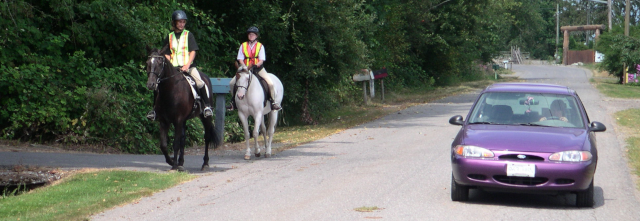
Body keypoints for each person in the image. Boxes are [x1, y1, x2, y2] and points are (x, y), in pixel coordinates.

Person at [147, 10, 213, 120]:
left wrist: (187, 65)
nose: (182, 24)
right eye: (179, 22)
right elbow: (165, 53)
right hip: (173, 68)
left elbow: (193, 51)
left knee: (200, 82)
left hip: (188, 66)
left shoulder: (188, 35)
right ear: (174, 23)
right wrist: (171, 65)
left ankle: (206, 106)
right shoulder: (169, 36)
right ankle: (155, 110)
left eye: (183, 22)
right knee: (158, 85)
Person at [227, 26, 281, 111]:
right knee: (232, 83)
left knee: (270, 84)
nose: (251, 36)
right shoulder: (243, 45)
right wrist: (244, 66)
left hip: (258, 68)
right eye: (249, 34)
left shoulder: (260, 46)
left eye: (252, 34)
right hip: (245, 69)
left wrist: (255, 65)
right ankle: (233, 102)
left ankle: (273, 102)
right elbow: (240, 58)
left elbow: (262, 60)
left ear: (256, 36)